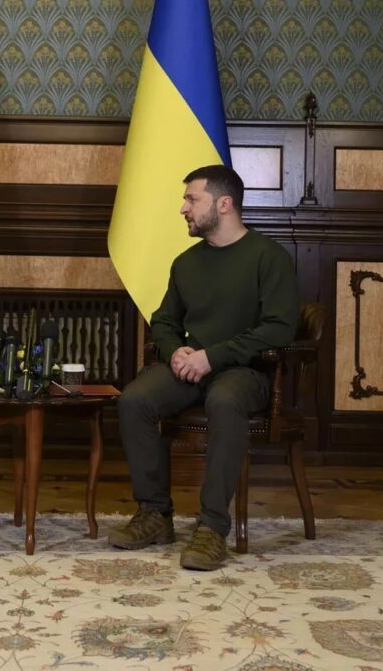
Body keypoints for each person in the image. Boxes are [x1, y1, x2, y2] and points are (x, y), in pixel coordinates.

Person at [109, 164, 298, 570]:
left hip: (246, 372)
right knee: (135, 400)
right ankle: (154, 515)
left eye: (192, 199)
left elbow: (280, 328)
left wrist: (212, 356)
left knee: (225, 400)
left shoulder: (270, 257)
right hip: (190, 367)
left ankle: (212, 528)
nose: (183, 208)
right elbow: (163, 321)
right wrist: (175, 351)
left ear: (224, 204)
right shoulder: (186, 262)